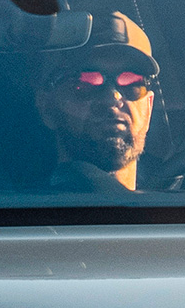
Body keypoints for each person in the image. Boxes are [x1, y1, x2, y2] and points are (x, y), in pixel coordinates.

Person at [35, 12, 160, 192]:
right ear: (47, 107)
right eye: (86, 82)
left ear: (148, 108)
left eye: (131, 82)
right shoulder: (17, 213)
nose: (113, 98)